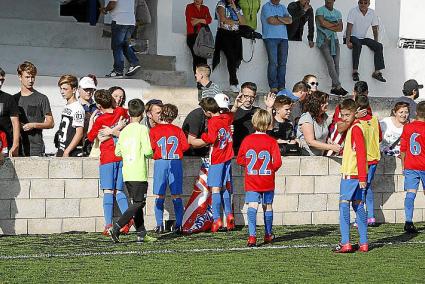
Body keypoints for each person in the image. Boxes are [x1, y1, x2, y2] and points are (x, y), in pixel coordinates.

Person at [109, 98, 157, 243]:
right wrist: (151, 154)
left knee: (137, 202)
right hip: (138, 171)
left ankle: (141, 233)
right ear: (142, 113)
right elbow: (148, 150)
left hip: (127, 172)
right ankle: (117, 226)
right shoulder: (143, 129)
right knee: (139, 203)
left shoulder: (124, 131)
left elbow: (117, 152)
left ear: (129, 113)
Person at [194, 93, 241, 232]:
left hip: (217, 158)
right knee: (225, 188)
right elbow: (231, 116)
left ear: (208, 112)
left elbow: (211, 138)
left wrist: (203, 135)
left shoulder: (212, 122)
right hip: (228, 157)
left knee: (215, 189)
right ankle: (229, 215)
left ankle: (217, 220)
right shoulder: (224, 118)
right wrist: (236, 107)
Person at [237, 109, 282, 247]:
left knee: (252, 206)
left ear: (254, 122)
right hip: (267, 179)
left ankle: (252, 236)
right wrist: (269, 170)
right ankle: (268, 234)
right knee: (267, 205)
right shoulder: (272, 141)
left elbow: (240, 159)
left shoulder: (247, 139)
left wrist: (251, 167)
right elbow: (278, 162)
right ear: (269, 124)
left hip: (252, 179)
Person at [87, 90, 129, 235]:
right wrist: (117, 128)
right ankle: (127, 219)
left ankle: (108, 224)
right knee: (119, 190)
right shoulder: (122, 111)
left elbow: (91, 137)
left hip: (107, 157)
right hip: (121, 156)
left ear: (98, 105)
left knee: (108, 191)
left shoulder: (100, 119)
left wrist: (93, 120)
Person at [149, 104, 190, 234]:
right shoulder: (178, 130)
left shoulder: (154, 130)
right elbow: (185, 146)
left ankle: (159, 225)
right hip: (175, 161)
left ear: (162, 114)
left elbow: (151, 146)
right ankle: (179, 224)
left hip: (161, 161)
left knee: (160, 194)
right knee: (176, 194)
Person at [334, 98, 368, 253]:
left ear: (355, 113)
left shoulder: (355, 129)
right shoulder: (357, 126)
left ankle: (345, 242)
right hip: (356, 174)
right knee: (358, 205)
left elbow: (361, 153)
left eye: (347, 115)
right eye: (342, 115)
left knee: (344, 205)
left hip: (351, 174)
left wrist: (362, 177)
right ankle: (363, 242)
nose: (344, 118)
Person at [14, 61, 54, 156]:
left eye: (33, 77)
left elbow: (50, 123)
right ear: (20, 77)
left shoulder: (42, 98)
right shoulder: (14, 99)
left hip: (35, 148)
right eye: (27, 77)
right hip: (17, 147)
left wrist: (33, 125)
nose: (31, 80)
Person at [354, 95, 381, 226]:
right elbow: (380, 138)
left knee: (362, 188)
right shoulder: (375, 120)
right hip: (374, 158)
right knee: (368, 187)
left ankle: (360, 218)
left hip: (363, 159)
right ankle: (371, 216)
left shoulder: (356, 123)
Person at [400, 101, 425, 234]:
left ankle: (408, 221)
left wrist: (403, 165)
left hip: (410, 165)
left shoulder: (408, 127)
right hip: (424, 165)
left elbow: (403, 148)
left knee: (411, 193)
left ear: (416, 112)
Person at [346, 0, 386, 82]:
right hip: (351, 36)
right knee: (357, 44)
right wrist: (347, 41)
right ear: (358, 3)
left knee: (379, 46)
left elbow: (375, 29)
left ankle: (377, 72)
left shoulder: (372, 13)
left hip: (362, 38)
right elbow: (349, 27)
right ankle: (355, 72)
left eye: (365, 3)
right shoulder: (353, 11)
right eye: (361, 2)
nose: (363, 4)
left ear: (369, 4)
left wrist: (376, 42)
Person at [315, 0, 348, 97]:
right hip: (323, 40)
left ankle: (334, 88)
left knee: (336, 63)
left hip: (335, 40)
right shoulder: (320, 10)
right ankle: (338, 86)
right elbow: (321, 23)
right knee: (330, 62)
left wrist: (328, 24)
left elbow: (341, 28)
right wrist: (334, 25)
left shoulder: (338, 12)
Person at [213, 0, 246, 93]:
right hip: (224, 34)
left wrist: (235, 9)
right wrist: (237, 22)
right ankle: (233, 82)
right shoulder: (221, 4)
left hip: (236, 35)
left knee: (236, 58)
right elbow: (223, 19)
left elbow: (243, 22)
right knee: (230, 57)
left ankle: (234, 80)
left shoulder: (238, 7)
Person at [101, 0, 141, 77]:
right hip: (131, 22)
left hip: (120, 22)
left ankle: (118, 70)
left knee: (117, 47)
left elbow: (112, 4)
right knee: (124, 44)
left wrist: (105, 9)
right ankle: (134, 63)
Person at [261, 0, 292, 93]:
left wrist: (278, 18)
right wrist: (283, 20)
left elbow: (290, 20)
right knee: (273, 62)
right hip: (270, 37)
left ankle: (282, 86)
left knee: (282, 63)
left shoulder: (282, 7)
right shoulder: (266, 6)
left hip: (284, 38)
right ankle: (273, 86)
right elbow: (271, 21)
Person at [297, 91, 341, 156]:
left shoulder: (324, 116)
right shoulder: (306, 118)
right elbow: (310, 142)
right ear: (316, 104)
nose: (327, 104)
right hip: (307, 158)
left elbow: (322, 135)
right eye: (324, 102)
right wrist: (331, 147)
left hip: (320, 157)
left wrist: (329, 140)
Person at [55, 75, 85, 157]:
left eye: (65, 89)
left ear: (74, 90)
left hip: (71, 152)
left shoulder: (78, 108)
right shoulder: (67, 105)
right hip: (62, 148)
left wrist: (67, 151)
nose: (62, 92)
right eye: (61, 88)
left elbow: (79, 133)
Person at [185, 0, 212, 74]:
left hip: (203, 37)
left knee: (203, 59)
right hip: (193, 36)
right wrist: (203, 20)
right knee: (197, 58)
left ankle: (204, 80)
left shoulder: (205, 8)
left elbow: (209, 20)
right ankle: (199, 80)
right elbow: (192, 22)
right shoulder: (189, 7)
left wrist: (199, 20)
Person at [232, 82, 258, 153]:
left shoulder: (258, 111)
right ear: (240, 94)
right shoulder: (232, 109)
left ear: (255, 96)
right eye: (246, 96)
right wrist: (235, 107)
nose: (249, 100)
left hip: (251, 151)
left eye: (252, 97)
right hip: (233, 151)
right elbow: (224, 124)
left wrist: (269, 108)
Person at [0, 67, 20, 157]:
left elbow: (15, 123)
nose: (0, 83)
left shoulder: (8, 98)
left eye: (2, 80)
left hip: (5, 146)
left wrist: (15, 144)